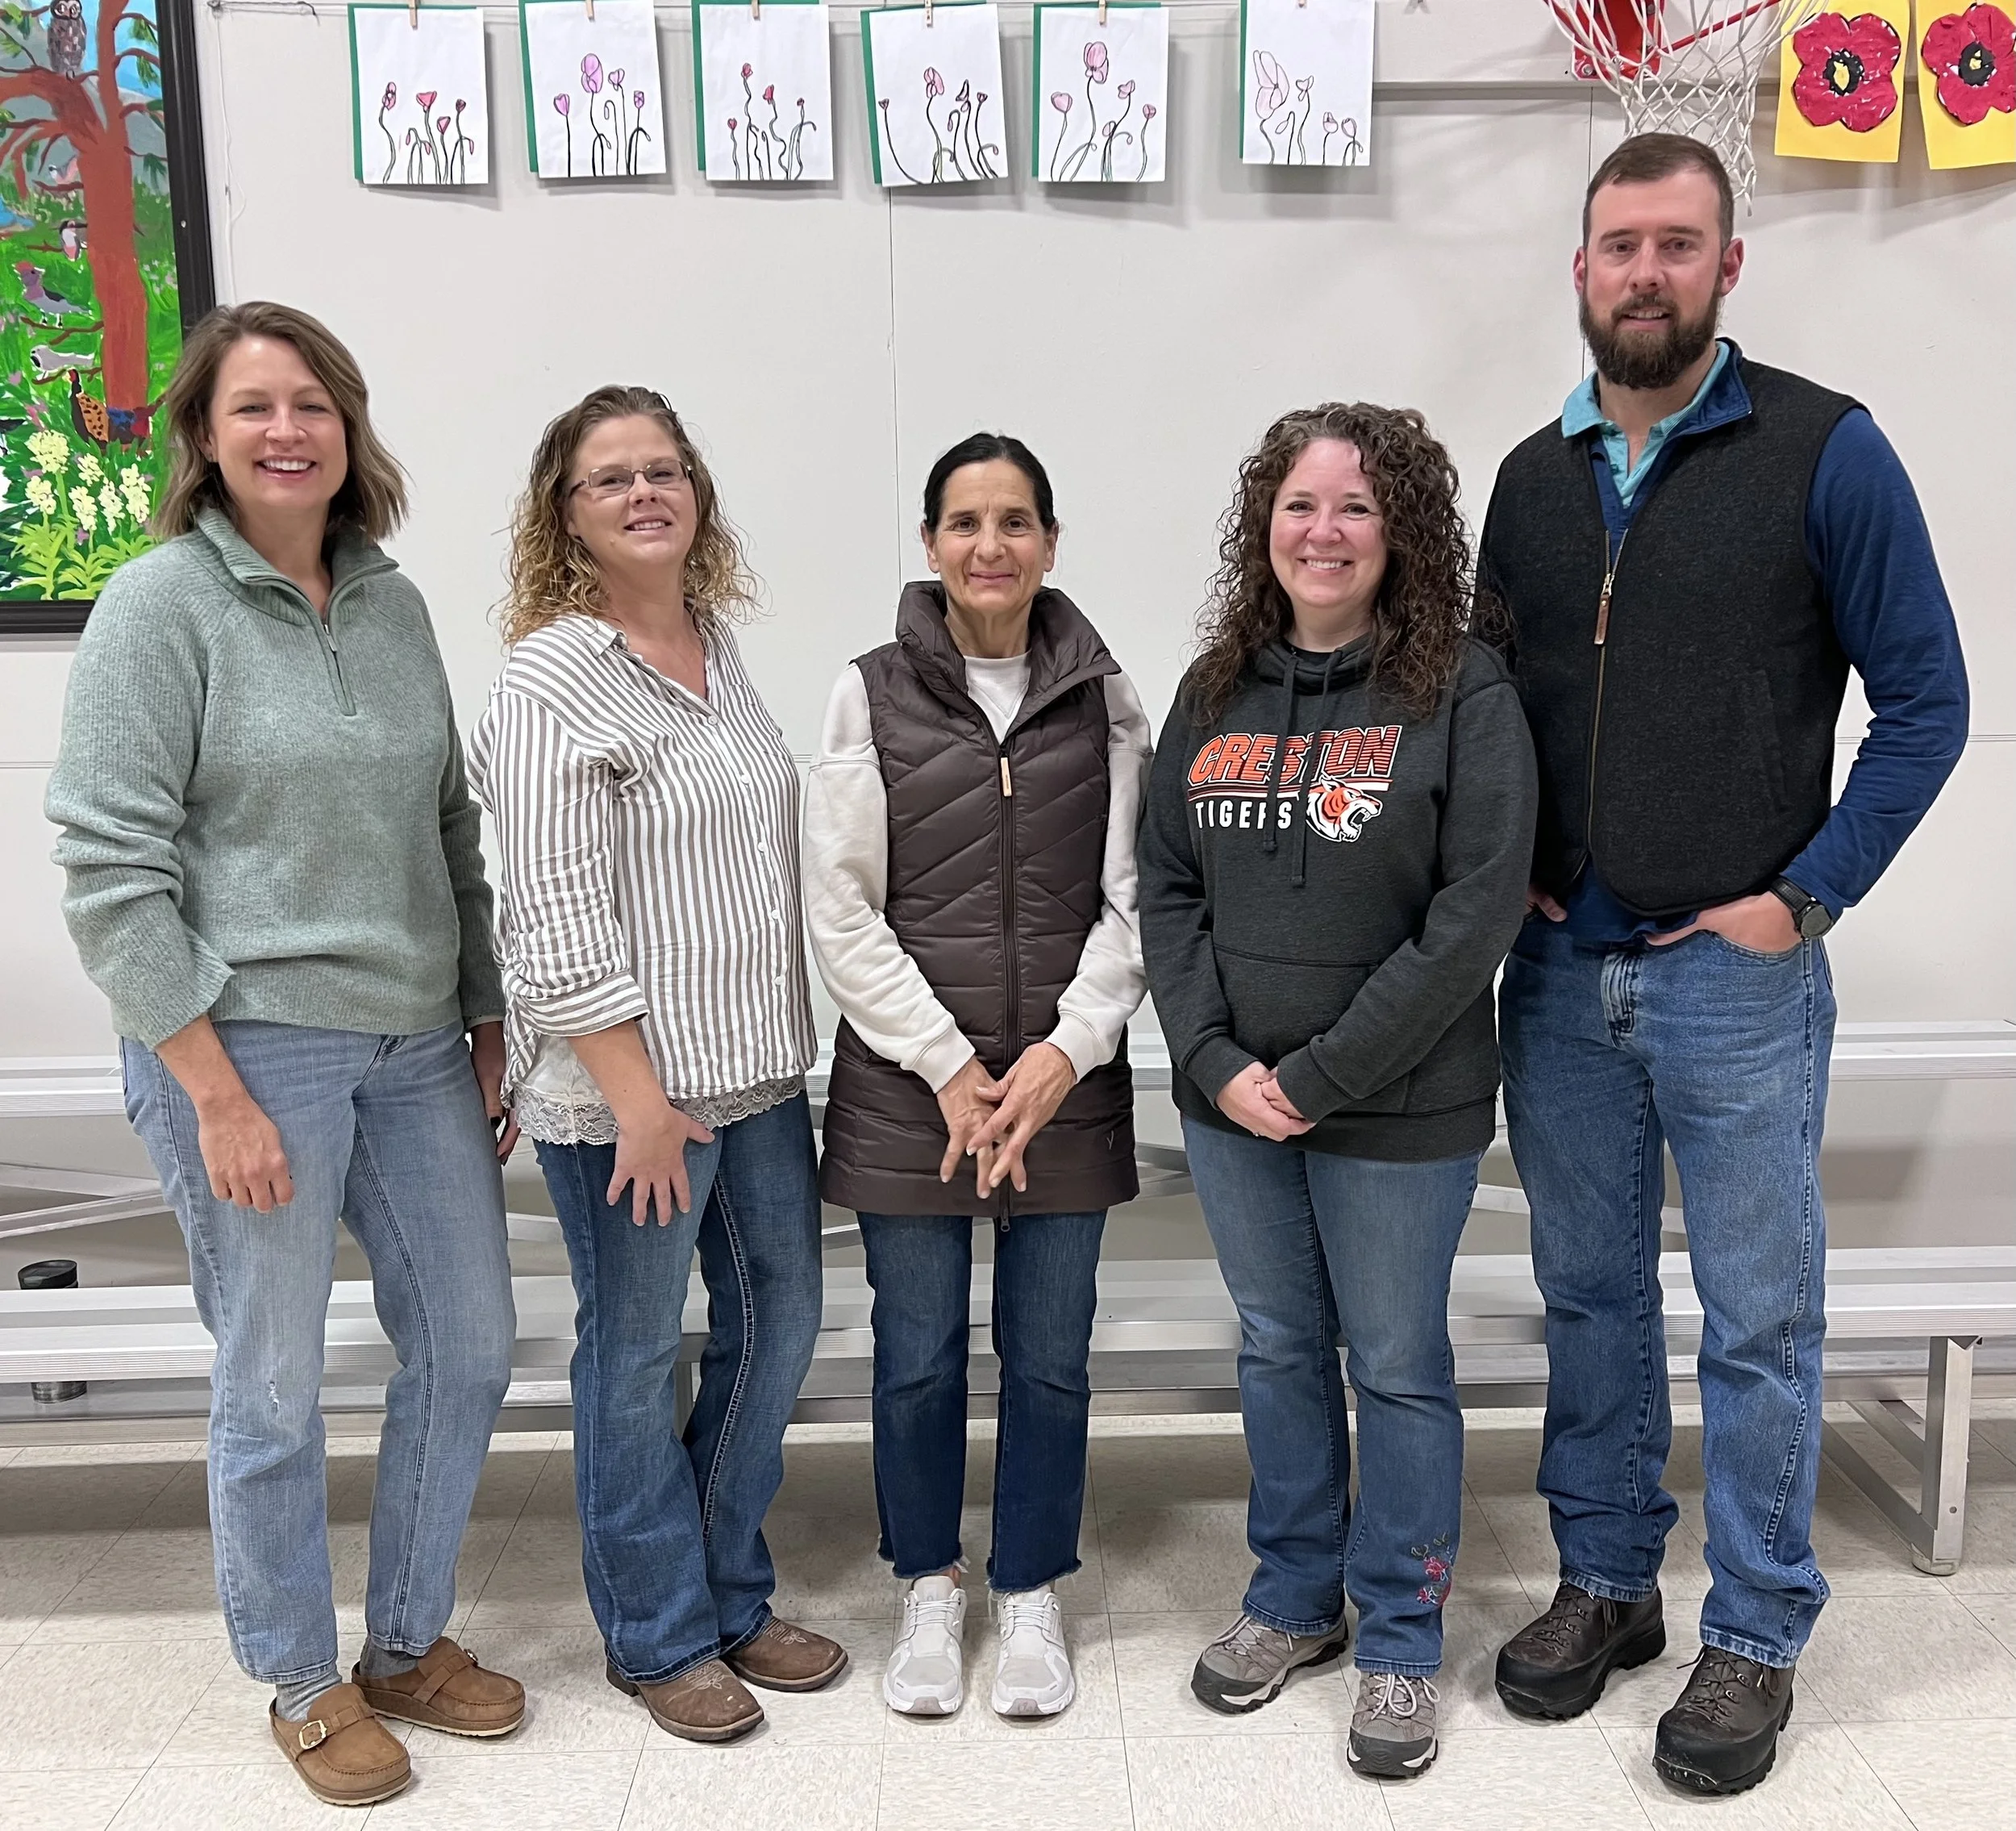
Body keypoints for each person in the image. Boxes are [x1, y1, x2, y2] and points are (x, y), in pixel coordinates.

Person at [1480, 134, 1969, 1797]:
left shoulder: (1824, 451)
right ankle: (1606, 1578)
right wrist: (1501, 886)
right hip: (1557, 977)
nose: (1641, 271)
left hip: (1735, 976)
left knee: (1759, 1318)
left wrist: (1805, 894)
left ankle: (1752, 1629)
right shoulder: (1528, 480)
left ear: (1726, 268)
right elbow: (1484, 720)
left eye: (1674, 244)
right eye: (1615, 243)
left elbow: (1926, 702)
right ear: (1577, 268)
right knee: (1588, 1298)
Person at [45, 302, 524, 1809]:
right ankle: (300, 1680)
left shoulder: (393, 605)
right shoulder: (157, 607)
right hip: (244, 1044)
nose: (285, 432)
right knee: (272, 1381)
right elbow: (109, 866)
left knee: (471, 1340)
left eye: (310, 403)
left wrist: (491, 1008)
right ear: (201, 437)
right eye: (252, 407)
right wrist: (210, 1085)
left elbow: (448, 825)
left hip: (414, 1041)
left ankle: (402, 1641)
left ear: (349, 426)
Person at [1137, 402, 1536, 1779]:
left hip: (1396, 1111)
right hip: (1236, 1107)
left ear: (1401, 531)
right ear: (1266, 524)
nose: (1323, 531)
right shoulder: (1212, 689)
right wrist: (1211, 1062)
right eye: (1300, 505)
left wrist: (1315, 1075)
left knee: (1401, 1367)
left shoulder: (1461, 690)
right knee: (1279, 1352)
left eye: (1355, 508)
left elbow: (1474, 912)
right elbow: (1168, 891)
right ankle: (1295, 1597)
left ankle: (1404, 1637)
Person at [470, 386, 842, 1746]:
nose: (646, 493)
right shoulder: (551, 672)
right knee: (634, 1356)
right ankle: (657, 1632)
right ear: (561, 513)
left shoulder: (718, 648)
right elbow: (551, 906)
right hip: (628, 1100)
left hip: (753, 1079)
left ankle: (727, 1589)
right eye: (610, 478)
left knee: (776, 1325)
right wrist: (633, 1098)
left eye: (666, 470)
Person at [804, 432, 1151, 1720]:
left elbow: (1137, 903)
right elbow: (841, 911)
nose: (989, 546)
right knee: (917, 1357)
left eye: (1015, 522)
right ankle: (930, 1585)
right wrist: (952, 1067)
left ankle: (1032, 1587)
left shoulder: (1110, 698)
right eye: (964, 522)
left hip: (1066, 1084)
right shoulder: (866, 693)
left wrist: (1064, 1053)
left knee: (1051, 1355)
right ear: (930, 542)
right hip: (913, 1093)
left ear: (1051, 542)